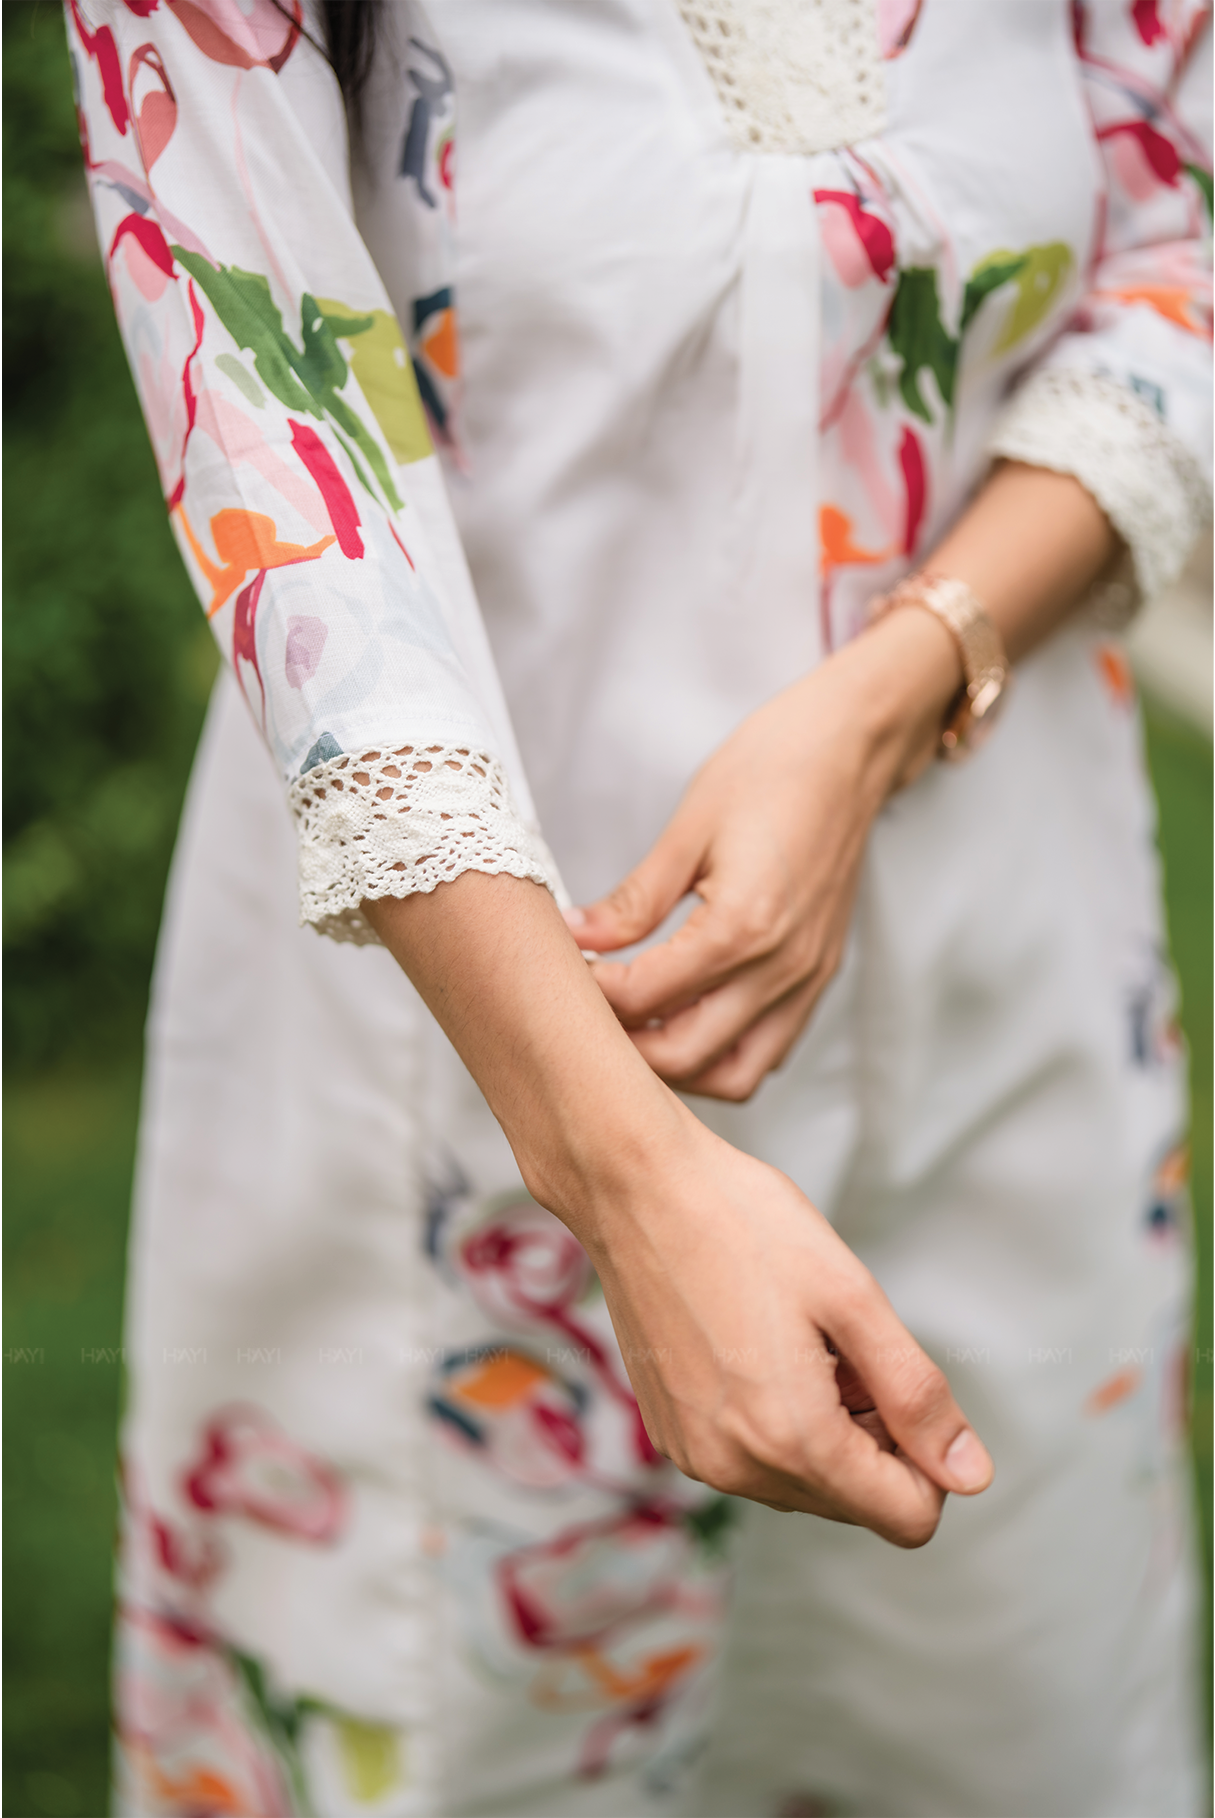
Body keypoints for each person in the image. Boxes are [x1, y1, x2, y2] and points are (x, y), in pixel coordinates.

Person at [65, 0, 1210, 1812]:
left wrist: (882, 702)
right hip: (455, 1044)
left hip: (1008, 986)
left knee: (1007, 1716)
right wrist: (628, 1178)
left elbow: (1177, 259)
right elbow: (274, 438)